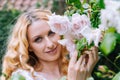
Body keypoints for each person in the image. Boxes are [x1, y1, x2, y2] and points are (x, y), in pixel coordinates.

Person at [1, 9, 98, 80]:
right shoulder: (24, 77)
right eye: (38, 39)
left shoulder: (75, 69)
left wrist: (87, 73)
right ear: (29, 46)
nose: (50, 44)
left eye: (51, 33)